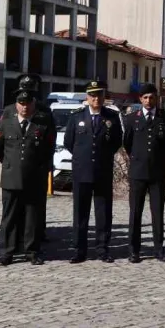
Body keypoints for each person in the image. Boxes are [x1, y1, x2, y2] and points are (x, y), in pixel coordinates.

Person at [64, 80, 123, 263]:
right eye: (92, 95)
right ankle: (79, 250)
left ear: (104, 97)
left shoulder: (111, 117)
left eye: (99, 94)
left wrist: (101, 158)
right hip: (82, 172)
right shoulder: (76, 117)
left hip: (102, 171)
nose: (96, 98)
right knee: (80, 213)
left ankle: (102, 249)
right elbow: (69, 142)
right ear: (87, 97)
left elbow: (116, 142)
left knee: (103, 212)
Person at [0, 88, 55, 265]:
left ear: (34, 104)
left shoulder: (42, 124)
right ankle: (7, 252)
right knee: (9, 217)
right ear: (16, 105)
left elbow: (48, 149)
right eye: (21, 103)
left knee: (32, 217)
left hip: (34, 177)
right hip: (11, 177)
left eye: (28, 103)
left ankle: (31, 251)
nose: (24, 107)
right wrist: (9, 165)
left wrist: (38, 168)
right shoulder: (7, 123)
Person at [123, 83, 165, 263]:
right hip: (137, 173)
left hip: (158, 173)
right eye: (145, 97)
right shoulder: (131, 119)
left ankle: (159, 249)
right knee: (135, 212)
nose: (148, 101)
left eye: (151, 97)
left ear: (156, 99)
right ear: (140, 99)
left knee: (157, 212)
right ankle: (134, 250)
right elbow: (127, 143)